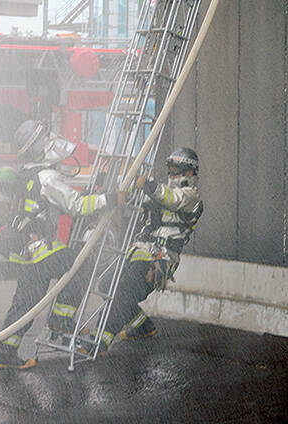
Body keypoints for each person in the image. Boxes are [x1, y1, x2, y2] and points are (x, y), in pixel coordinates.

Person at [0, 119, 124, 372]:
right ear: (40, 147)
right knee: (81, 264)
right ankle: (60, 320)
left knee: (25, 303)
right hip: (41, 252)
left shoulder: (26, 173)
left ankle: (5, 353)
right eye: (46, 139)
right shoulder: (48, 177)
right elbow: (76, 207)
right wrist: (110, 198)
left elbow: (52, 204)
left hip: (23, 252)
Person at [57, 146, 203, 355]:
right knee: (108, 284)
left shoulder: (190, 196)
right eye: (169, 169)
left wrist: (149, 186)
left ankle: (100, 341)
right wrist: (118, 190)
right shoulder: (163, 191)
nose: (171, 173)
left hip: (159, 259)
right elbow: (141, 200)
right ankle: (143, 327)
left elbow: (171, 199)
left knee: (123, 291)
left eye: (175, 169)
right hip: (140, 252)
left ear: (189, 172)